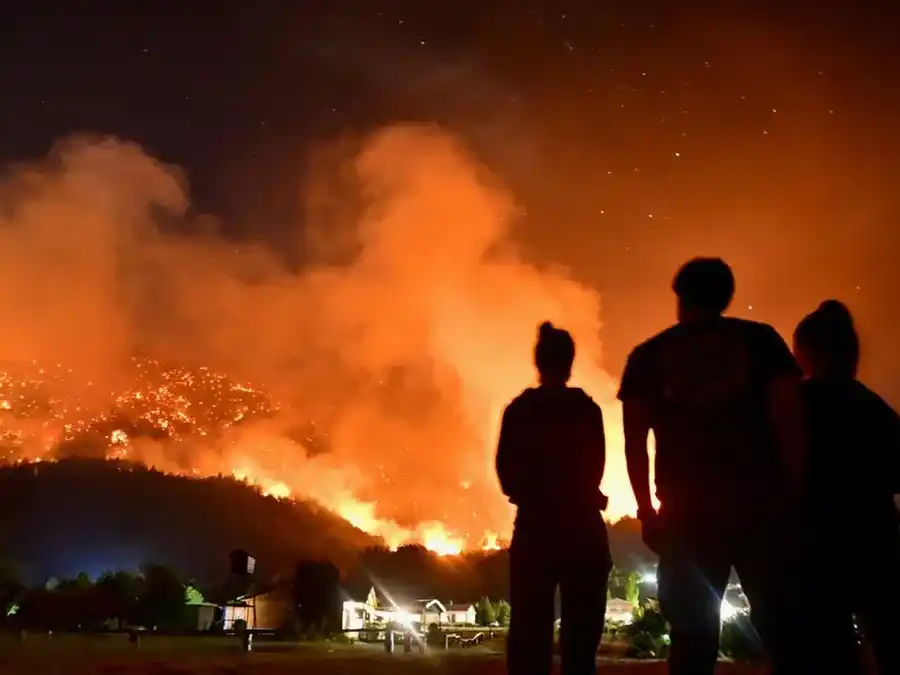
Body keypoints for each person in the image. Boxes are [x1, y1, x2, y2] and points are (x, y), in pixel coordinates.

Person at [617, 257, 817, 675]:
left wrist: (648, 513)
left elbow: (635, 444)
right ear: (727, 295)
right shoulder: (762, 343)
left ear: (680, 298)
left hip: (687, 520)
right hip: (759, 509)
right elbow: (791, 420)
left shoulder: (648, 357)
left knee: (692, 640)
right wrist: (793, 493)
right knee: (787, 633)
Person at [497, 321, 611, 675]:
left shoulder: (519, 411)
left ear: (538, 362)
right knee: (581, 637)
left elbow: (506, 476)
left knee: (529, 634)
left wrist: (535, 495)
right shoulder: (587, 410)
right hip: (583, 531)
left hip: (535, 531)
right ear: (570, 362)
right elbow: (597, 468)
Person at [794, 299, 900, 674]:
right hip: (876, 542)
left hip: (817, 548)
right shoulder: (874, 408)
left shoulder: (796, 406)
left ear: (807, 353)